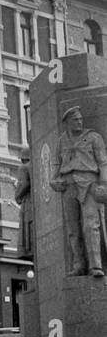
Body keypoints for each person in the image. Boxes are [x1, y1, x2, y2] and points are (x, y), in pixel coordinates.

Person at [51, 105, 107, 277]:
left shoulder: (93, 137)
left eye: (81, 119)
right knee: (73, 229)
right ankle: (79, 265)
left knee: (91, 225)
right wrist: (53, 180)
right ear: (67, 122)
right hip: (68, 185)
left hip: (89, 183)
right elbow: (56, 165)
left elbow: (103, 162)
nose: (80, 122)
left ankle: (95, 266)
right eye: (76, 120)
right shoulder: (62, 141)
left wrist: (103, 184)